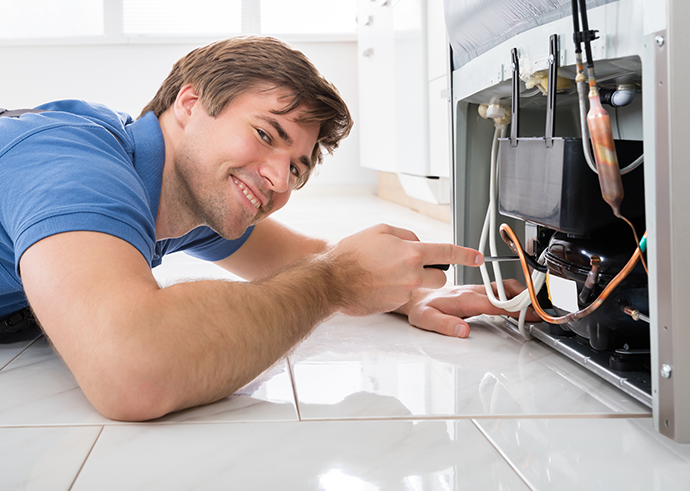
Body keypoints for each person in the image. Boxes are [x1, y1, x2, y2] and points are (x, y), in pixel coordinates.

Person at [1, 36, 525, 421]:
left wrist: (407, 295)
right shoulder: (71, 162)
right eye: (264, 133)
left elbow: (309, 258)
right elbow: (132, 371)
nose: (279, 179)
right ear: (190, 104)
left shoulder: (183, 196)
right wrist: (334, 283)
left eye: (296, 167)